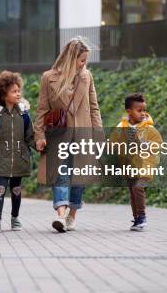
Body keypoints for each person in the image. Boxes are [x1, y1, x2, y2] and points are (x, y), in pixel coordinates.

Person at [34, 36, 103, 232]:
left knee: (78, 179)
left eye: (86, 60)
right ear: (71, 58)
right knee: (61, 175)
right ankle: (61, 217)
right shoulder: (49, 78)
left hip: (83, 135)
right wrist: (39, 135)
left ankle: (72, 215)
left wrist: (99, 138)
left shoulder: (87, 76)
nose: (84, 64)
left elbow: (94, 108)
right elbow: (42, 110)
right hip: (59, 136)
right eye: (82, 60)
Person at [0, 71, 35, 233]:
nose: (18, 93)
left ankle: (15, 218)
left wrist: (41, 145)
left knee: (16, 190)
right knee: (0, 189)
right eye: (14, 91)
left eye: (19, 90)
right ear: (3, 94)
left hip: (19, 159)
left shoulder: (24, 115)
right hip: (1, 160)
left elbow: (30, 137)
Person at [110, 93, 163, 231]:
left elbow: (158, 143)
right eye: (139, 110)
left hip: (145, 165)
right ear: (129, 111)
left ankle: (142, 217)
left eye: (144, 110)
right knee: (133, 192)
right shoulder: (122, 127)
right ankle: (137, 218)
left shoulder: (149, 128)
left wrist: (146, 145)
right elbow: (113, 143)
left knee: (138, 188)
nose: (143, 113)